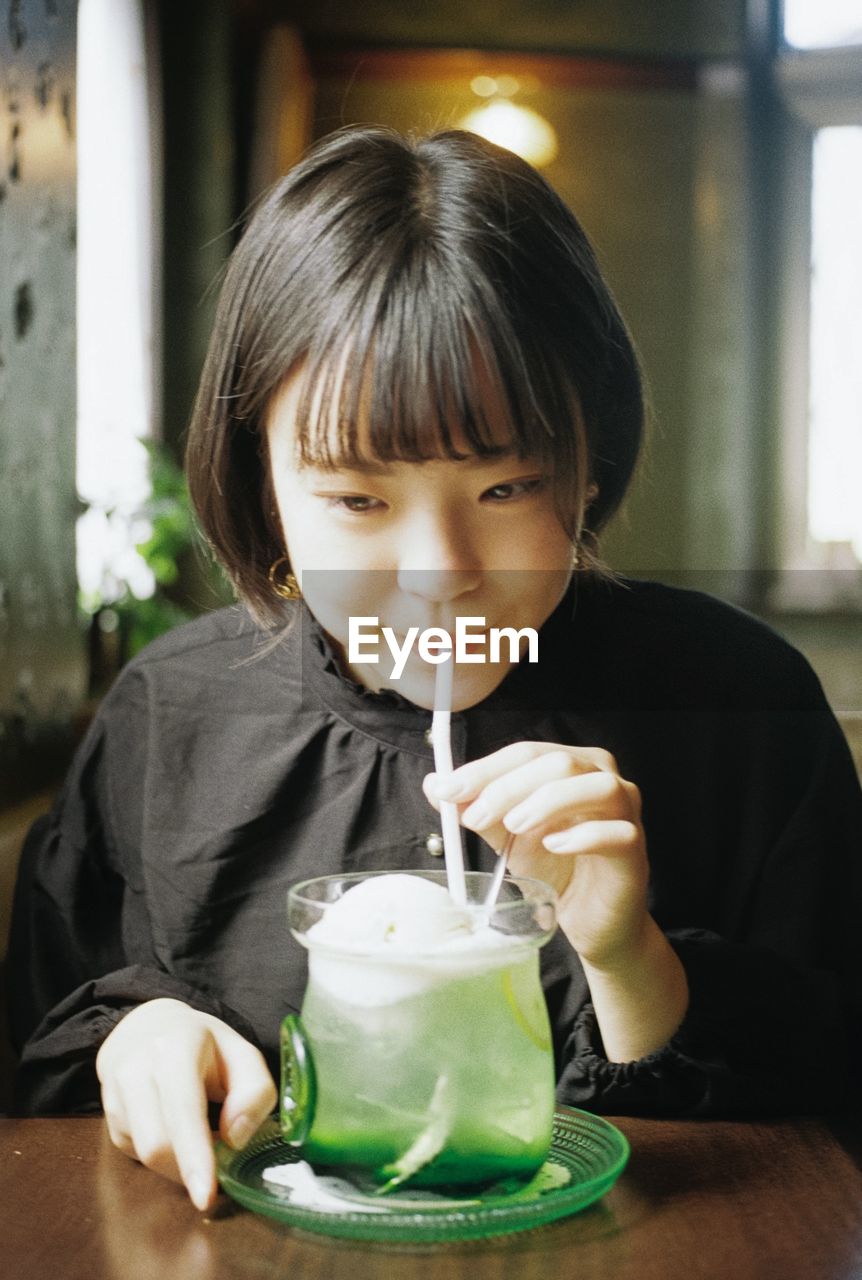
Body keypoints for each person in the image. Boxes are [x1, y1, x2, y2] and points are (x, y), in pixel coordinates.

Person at [8, 126, 862, 1214]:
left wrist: (628, 952)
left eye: (504, 489)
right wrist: (137, 1036)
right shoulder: (170, 710)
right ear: (257, 476)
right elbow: (50, 1034)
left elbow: (823, 1113)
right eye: (358, 501)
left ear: (587, 457)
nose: (441, 576)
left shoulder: (742, 704)